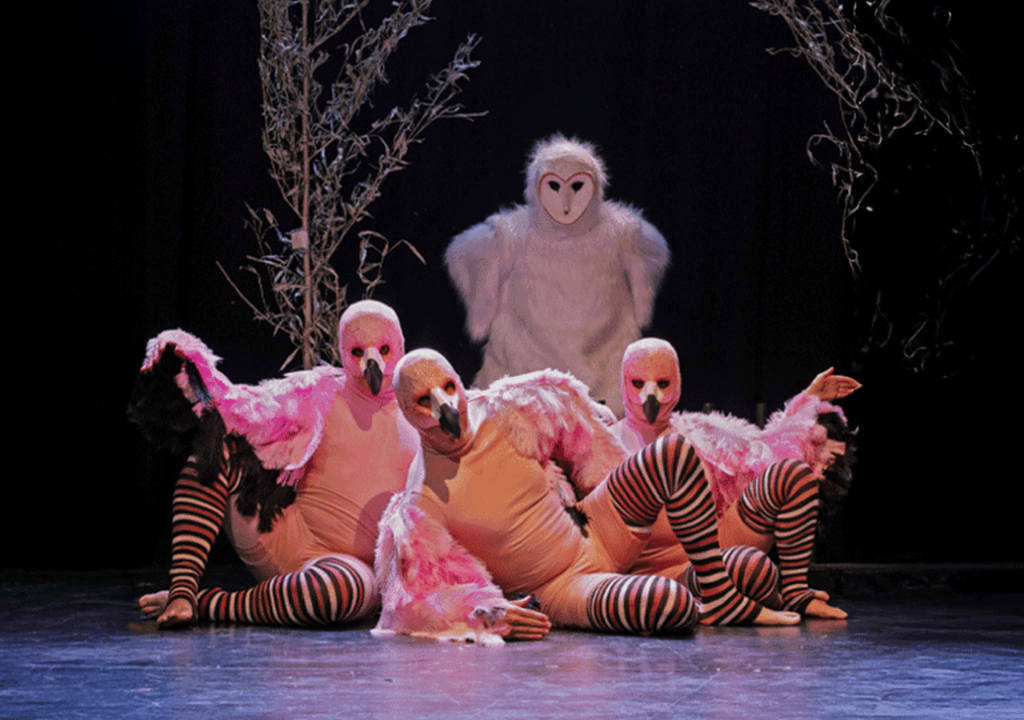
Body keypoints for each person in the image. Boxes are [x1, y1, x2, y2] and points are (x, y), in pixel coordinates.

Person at [372, 349, 801, 645]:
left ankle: (719, 592)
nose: (446, 406)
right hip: (562, 587)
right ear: (408, 412)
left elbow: (585, 436)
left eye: (449, 387)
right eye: (425, 402)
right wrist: (488, 612)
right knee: (668, 605)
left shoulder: (509, 407)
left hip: (595, 527)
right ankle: (680, 585)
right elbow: (409, 606)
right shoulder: (421, 501)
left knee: (673, 454)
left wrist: (604, 489)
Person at [131, 300, 419, 628]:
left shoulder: (423, 412)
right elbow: (240, 409)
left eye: (384, 349)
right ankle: (182, 590)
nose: (373, 362)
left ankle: (209, 604)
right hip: (284, 533)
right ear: (342, 351)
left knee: (334, 592)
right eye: (358, 351)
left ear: (400, 346)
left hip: (351, 572)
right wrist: (192, 364)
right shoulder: (320, 393)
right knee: (220, 446)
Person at [609, 338, 858, 618]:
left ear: (677, 384)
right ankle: (735, 597)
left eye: (662, 383)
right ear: (624, 381)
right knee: (750, 568)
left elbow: (765, 454)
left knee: (791, 474)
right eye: (638, 383)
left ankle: (795, 592)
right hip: (660, 572)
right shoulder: (604, 444)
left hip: (717, 546)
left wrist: (808, 402)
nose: (650, 395)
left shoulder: (701, 432)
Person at [444, 135, 670, 415]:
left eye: (577, 186)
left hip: (603, 391)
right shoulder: (511, 234)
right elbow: (465, 256)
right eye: (553, 186)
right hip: (522, 388)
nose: (566, 201)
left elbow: (652, 257)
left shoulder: (621, 232)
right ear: (537, 187)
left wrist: (641, 303)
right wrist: (482, 307)